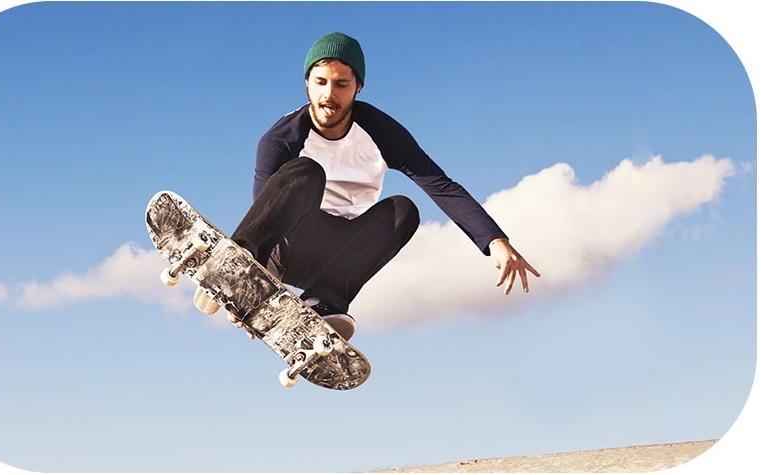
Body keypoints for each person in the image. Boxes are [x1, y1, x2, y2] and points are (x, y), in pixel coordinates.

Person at [211, 32, 539, 340]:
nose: (329, 95)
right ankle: (237, 264)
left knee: (404, 210)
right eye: (321, 82)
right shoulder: (281, 138)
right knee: (307, 172)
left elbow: (441, 186)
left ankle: (322, 304)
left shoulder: (382, 133)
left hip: (337, 257)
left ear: (358, 88)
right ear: (307, 84)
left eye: (341, 84)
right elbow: (265, 209)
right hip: (284, 245)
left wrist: (494, 240)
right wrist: (254, 288)